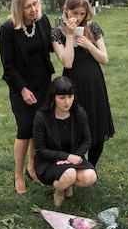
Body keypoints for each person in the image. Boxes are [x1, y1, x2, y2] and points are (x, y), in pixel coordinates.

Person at [0, 0, 55, 198]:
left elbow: (50, 45)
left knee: (38, 127)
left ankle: (33, 167)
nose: (33, 9)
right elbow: (8, 65)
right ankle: (18, 175)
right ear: (17, 9)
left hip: (43, 83)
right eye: (27, 7)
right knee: (24, 129)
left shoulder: (43, 20)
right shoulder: (8, 30)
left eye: (35, 4)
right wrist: (22, 89)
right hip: (20, 86)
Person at [51, 0, 114, 167]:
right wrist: (70, 35)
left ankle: (91, 167)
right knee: (74, 126)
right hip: (72, 84)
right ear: (66, 11)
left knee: (96, 125)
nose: (78, 18)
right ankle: (73, 167)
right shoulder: (57, 33)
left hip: (94, 82)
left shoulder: (93, 28)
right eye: (75, 13)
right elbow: (68, 62)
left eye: (82, 13)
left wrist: (89, 45)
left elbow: (104, 59)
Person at [33, 76, 97, 206]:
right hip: (49, 161)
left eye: (70, 96)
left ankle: (66, 184)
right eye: (62, 98)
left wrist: (75, 156)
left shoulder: (79, 113)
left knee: (90, 176)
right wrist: (66, 157)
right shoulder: (41, 117)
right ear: (53, 98)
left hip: (74, 157)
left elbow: (87, 140)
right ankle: (59, 191)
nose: (67, 102)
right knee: (70, 173)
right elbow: (41, 149)